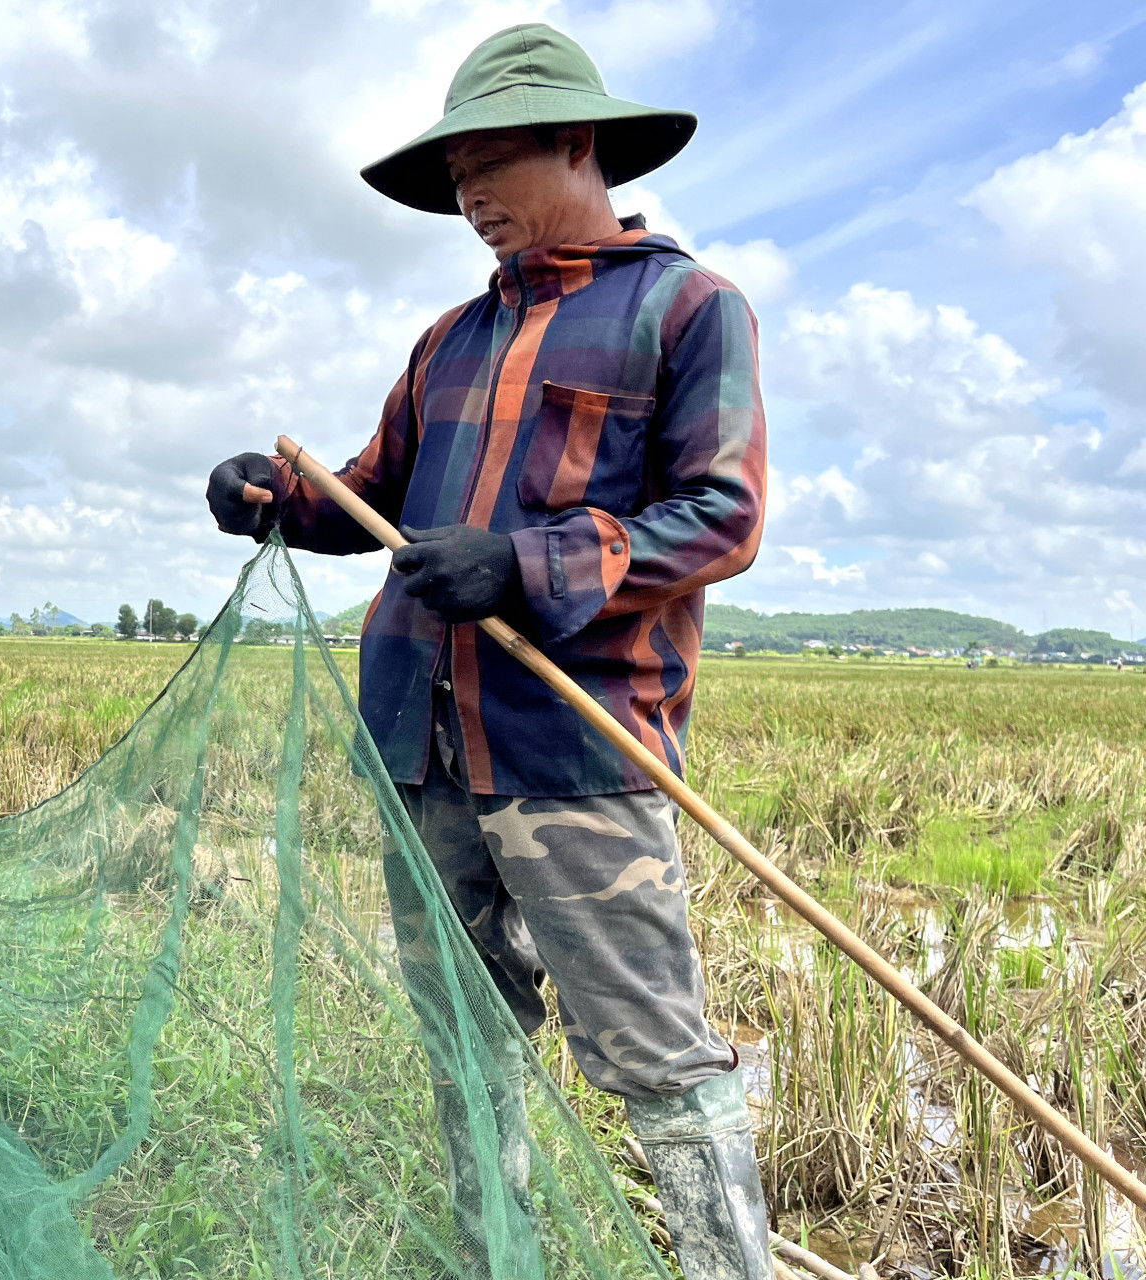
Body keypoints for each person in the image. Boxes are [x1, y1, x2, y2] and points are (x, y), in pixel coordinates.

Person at [206, 23, 770, 1280]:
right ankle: (494, 1257)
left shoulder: (686, 307)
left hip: (571, 746)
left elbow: (718, 515)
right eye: (450, 172)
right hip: (420, 748)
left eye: (487, 162)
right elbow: (368, 499)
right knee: (466, 1032)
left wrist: (526, 563)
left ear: (577, 144)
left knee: (657, 1058)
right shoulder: (445, 340)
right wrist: (268, 498)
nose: (465, 195)